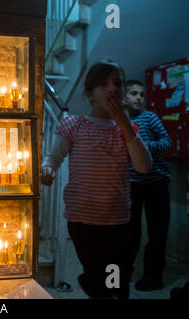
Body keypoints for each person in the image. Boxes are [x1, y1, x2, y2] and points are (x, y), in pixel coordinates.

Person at [41, 60, 152, 299]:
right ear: (90, 94)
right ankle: (92, 283)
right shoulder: (75, 124)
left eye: (118, 83)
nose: (112, 89)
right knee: (98, 276)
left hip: (119, 219)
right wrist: (47, 169)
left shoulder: (127, 129)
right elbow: (53, 157)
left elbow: (144, 167)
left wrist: (124, 123)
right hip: (83, 220)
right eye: (103, 84)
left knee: (119, 277)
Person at [123, 79, 172, 291]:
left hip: (156, 183)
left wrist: (143, 145)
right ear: (123, 98)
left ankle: (154, 276)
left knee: (157, 232)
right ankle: (123, 274)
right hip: (132, 185)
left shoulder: (150, 117)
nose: (139, 98)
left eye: (142, 95)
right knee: (130, 233)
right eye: (134, 93)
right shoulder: (120, 121)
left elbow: (166, 142)